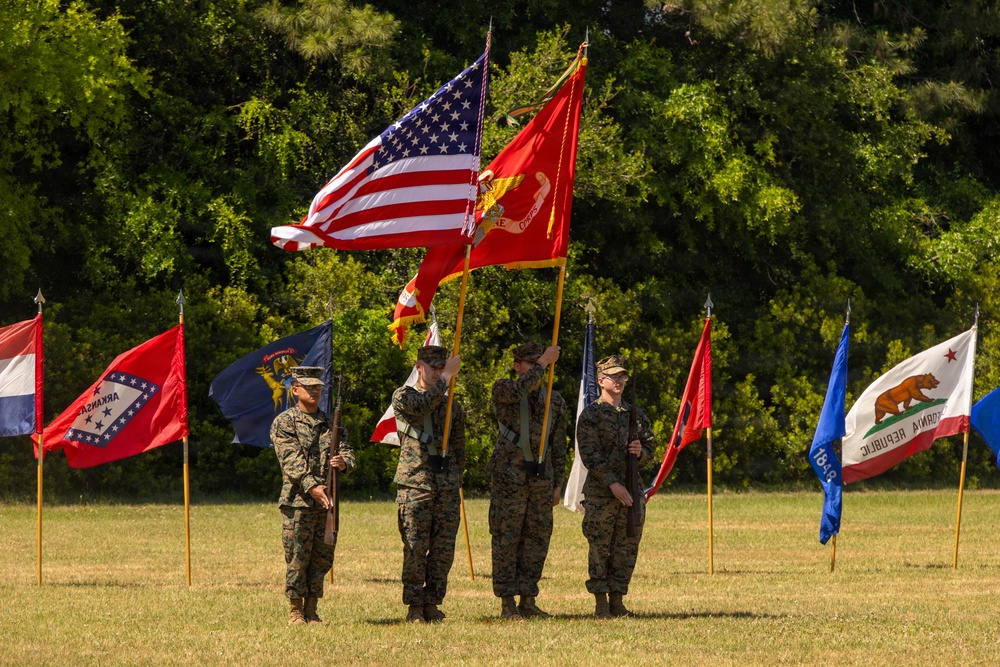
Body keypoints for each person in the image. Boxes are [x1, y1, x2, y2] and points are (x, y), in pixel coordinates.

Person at [488, 342, 566, 619]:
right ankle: (507, 602)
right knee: (507, 539)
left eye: (539, 363)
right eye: (531, 363)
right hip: (510, 478)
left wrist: (558, 482)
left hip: (542, 480)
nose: (538, 369)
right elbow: (519, 390)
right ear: (517, 366)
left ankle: (528, 599)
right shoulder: (504, 389)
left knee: (537, 539)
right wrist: (544, 361)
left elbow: (558, 443)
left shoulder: (553, 399)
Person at [271, 366, 354, 625]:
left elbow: (347, 449)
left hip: (327, 502)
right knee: (298, 556)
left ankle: (312, 609)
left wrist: (344, 462)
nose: (315, 391)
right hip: (298, 501)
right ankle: (296, 609)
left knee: (322, 557)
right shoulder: (285, 422)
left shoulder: (332, 422)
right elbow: (290, 459)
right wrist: (311, 486)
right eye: (309, 387)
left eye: (318, 387)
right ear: (295, 390)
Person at [576, 355, 657, 619]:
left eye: (622, 376)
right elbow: (590, 455)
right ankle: (601, 603)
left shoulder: (636, 415)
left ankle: (618, 600)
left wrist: (641, 452)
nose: (619, 380)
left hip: (632, 491)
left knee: (627, 546)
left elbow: (651, 447)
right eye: (613, 376)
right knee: (600, 547)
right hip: (602, 493)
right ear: (601, 381)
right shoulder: (592, 415)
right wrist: (612, 483)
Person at [392, 345, 465, 623]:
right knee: (415, 547)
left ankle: (433, 602)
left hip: (445, 486)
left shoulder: (452, 406)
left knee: (443, 549)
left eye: (441, 367)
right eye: (433, 367)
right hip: (416, 484)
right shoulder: (403, 396)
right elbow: (423, 406)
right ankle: (414, 606)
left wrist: (455, 476)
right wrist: (447, 377)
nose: (437, 372)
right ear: (419, 367)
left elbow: (459, 447)